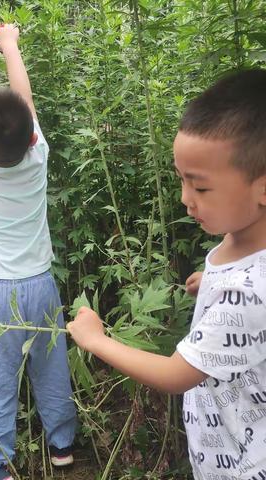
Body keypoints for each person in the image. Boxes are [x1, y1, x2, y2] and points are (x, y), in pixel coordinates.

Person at [67, 69, 266, 479]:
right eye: (181, 180)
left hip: (242, 463)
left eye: (201, 188)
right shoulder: (242, 243)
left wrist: (96, 340)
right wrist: (211, 284)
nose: (184, 199)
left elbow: (176, 375)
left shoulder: (245, 293)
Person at [0, 24, 77, 480]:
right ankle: (62, 445)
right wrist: (11, 46)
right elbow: (26, 101)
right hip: (41, 284)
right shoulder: (37, 154)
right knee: (51, 367)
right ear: (29, 138)